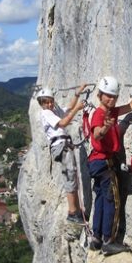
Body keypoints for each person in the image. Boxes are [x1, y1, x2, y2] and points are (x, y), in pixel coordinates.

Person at [88, 76, 132, 255]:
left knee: (101, 199)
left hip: (97, 163)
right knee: (113, 201)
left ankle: (97, 238)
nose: (111, 99)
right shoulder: (100, 114)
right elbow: (97, 134)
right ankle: (109, 240)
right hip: (104, 162)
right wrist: (106, 128)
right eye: (107, 96)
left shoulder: (112, 112)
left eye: (114, 97)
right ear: (100, 95)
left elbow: (131, 106)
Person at [37, 85, 87, 224]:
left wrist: (77, 94)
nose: (49, 104)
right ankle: (72, 212)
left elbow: (69, 108)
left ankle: (76, 211)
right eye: (46, 102)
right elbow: (64, 122)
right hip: (61, 146)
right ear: (41, 104)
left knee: (72, 177)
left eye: (51, 101)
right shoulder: (46, 113)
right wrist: (78, 108)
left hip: (63, 146)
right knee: (70, 177)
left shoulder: (53, 111)